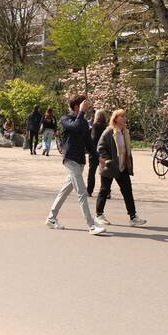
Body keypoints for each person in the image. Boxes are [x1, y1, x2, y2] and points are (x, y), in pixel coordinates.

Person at [46, 95, 105, 235]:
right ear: (76, 106)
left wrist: (98, 157)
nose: (87, 107)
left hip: (80, 161)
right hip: (70, 160)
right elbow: (75, 126)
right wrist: (82, 112)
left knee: (65, 190)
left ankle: (51, 218)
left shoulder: (83, 122)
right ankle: (91, 226)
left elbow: (88, 143)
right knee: (82, 193)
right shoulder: (65, 119)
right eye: (83, 105)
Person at [96, 109, 146, 227]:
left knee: (127, 191)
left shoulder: (125, 132)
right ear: (116, 118)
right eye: (122, 116)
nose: (125, 118)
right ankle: (99, 215)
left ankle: (133, 217)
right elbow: (100, 148)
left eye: (125, 116)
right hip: (110, 166)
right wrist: (108, 160)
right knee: (104, 190)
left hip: (122, 167)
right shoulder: (108, 132)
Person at [87, 109, 109, 197]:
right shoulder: (107, 126)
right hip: (105, 152)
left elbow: (94, 138)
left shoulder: (95, 126)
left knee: (92, 172)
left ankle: (89, 190)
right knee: (105, 173)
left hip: (95, 151)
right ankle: (106, 191)